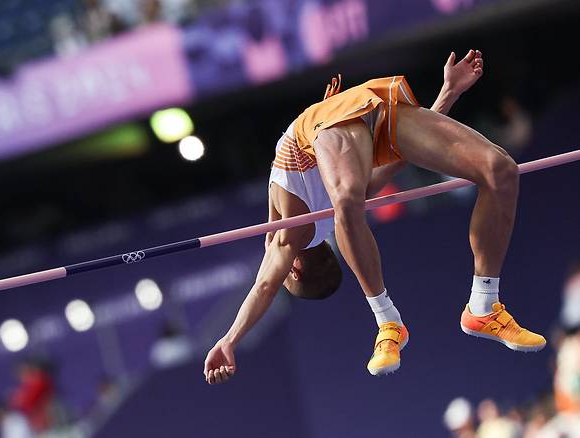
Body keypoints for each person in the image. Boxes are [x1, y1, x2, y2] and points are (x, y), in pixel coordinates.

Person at [204, 49, 547, 383]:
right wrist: (447, 94)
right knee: (351, 201)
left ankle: (483, 305)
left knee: (500, 169)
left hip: (359, 113)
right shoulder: (295, 233)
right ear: (293, 267)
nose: (276, 270)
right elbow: (266, 283)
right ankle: (391, 321)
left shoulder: (303, 217)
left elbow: (265, 284)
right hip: (357, 122)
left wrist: (230, 340)